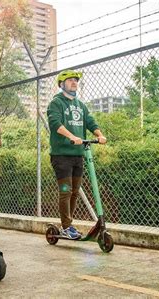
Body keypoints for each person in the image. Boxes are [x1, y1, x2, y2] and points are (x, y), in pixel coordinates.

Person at [47, 70, 107, 240]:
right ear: (61, 84)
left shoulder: (81, 105)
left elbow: (89, 121)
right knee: (65, 191)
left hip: (78, 155)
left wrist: (99, 135)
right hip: (61, 156)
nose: (74, 82)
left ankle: (69, 223)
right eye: (70, 80)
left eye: (75, 80)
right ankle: (66, 227)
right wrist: (72, 136)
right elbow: (55, 123)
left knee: (74, 191)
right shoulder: (56, 103)